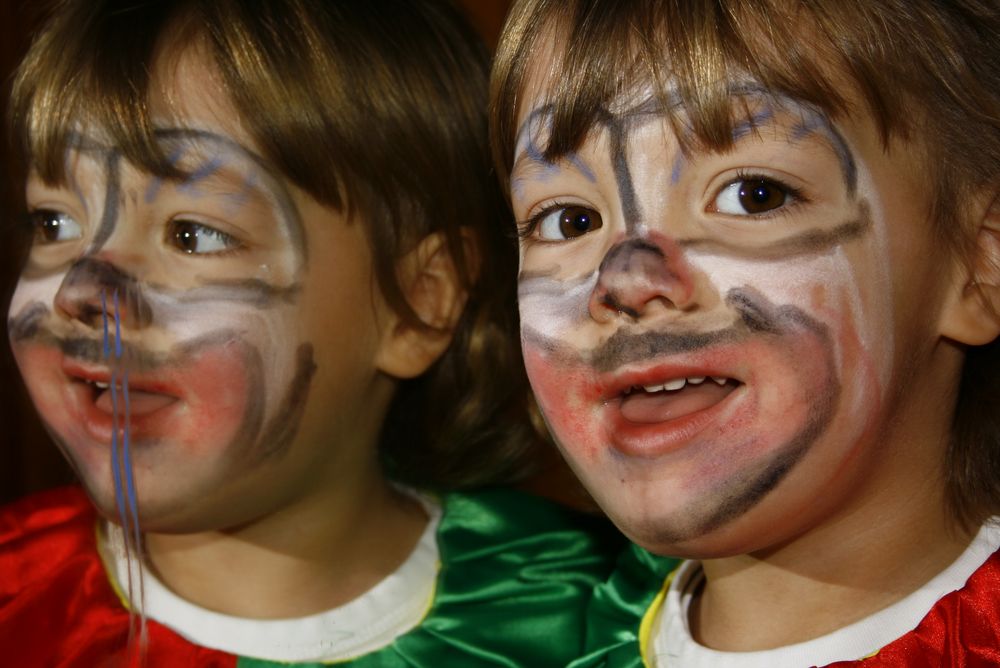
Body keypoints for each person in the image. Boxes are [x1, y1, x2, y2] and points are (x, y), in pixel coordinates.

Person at [0, 0, 622, 665]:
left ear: (416, 304)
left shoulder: (592, 615)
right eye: (54, 225)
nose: (80, 290)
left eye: (192, 235)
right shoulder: (19, 600)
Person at [489, 0, 1000, 664]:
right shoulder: (529, 633)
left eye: (754, 194)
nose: (625, 279)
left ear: (979, 259)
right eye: (569, 221)